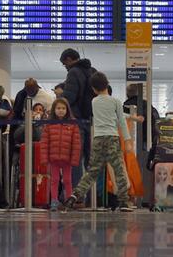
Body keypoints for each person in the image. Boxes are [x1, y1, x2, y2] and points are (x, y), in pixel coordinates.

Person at [60, 71, 134, 212]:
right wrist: (128, 140)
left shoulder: (94, 101)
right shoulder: (116, 101)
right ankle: (123, 201)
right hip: (112, 138)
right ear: (107, 84)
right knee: (119, 170)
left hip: (98, 139)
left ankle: (75, 195)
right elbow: (121, 121)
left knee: (92, 172)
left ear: (93, 89)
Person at [60, 49, 97, 184]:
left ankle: (76, 195)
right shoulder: (92, 71)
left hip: (77, 120)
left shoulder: (73, 72)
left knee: (75, 157)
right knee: (91, 159)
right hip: (92, 120)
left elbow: (69, 96)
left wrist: (60, 100)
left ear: (69, 59)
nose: (65, 67)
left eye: (65, 64)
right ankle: (91, 196)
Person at [42, 98, 82, 210]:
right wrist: (45, 159)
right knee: (54, 180)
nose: (61, 110)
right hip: (53, 158)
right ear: (54, 109)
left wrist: (74, 159)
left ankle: (69, 200)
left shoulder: (73, 124)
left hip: (67, 158)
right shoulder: (48, 124)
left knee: (68, 180)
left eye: (63, 108)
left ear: (67, 110)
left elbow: (76, 143)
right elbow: (44, 142)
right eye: (58, 108)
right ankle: (54, 200)